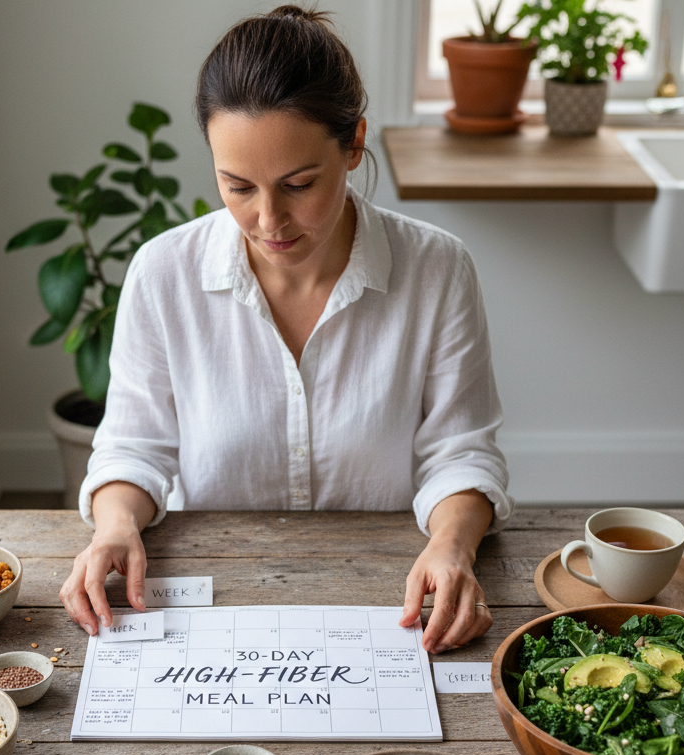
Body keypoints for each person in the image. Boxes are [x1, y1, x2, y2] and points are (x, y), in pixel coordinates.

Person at [60, 5, 512, 654]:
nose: (268, 219)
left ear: (354, 145)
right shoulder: (163, 273)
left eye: (299, 184)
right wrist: (113, 527)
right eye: (237, 185)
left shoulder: (438, 269)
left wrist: (451, 545)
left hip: (391, 603)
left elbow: (461, 452)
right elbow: (135, 446)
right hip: (213, 602)